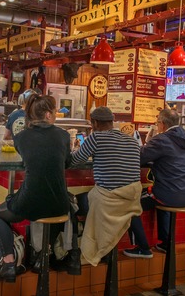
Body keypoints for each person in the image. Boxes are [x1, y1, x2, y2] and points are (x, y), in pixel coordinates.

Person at [0, 94, 71, 282]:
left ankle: (9, 263)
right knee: (57, 213)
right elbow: (67, 162)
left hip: (30, 201)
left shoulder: (21, 137)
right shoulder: (64, 135)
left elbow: (29, 157)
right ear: (49, 115)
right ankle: (42, 258)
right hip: (60, 204)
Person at [71, 107, 142, 266]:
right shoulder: (132, 140)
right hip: (131, 202)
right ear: (112, 122)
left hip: (109, 202)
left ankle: (80, 253)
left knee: (74, 204)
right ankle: (106, 250)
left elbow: (75, 161)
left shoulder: (95, 138)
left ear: (95, 123)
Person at [124, 109, 185, 259]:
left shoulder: (162, 140)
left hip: (169, 194)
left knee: (129, 204)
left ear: (163, 124)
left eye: (157, 122)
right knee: (160, 196)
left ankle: (142, 248)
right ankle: (165, 242)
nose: (157, 125)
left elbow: (138, 158)